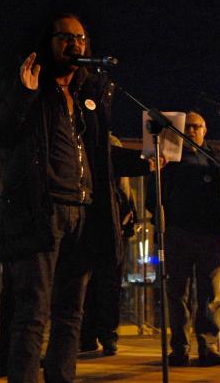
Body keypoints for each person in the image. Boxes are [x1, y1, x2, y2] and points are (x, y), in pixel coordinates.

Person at [0, 13, 152, 383]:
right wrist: (23, 94)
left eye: (80, 38)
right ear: (49, 42)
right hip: (40, 213)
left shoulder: (88, 95)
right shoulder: (27, 86)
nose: (74, 44)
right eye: (65, 37)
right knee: (33, 312)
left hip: (84, 213)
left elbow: (101, 156)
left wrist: (145, 161)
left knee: (71, 313)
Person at [145, 111, 220, 367]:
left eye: (196, 126)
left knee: (210, 295)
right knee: (177, 294)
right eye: (188, 127)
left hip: (210, 234)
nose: (192, 131)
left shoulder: (218, 157)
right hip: (177, 233)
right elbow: (152, 196)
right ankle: (180, 348)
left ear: (205, 129)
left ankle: (208, 346)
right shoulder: (169, 158)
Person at [79, 134, 138, 357]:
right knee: (107, 286)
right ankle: (106, 335)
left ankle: (90, 336)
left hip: (96, 229)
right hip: (109, 231)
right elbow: (125, 195)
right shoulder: (109, 146)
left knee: (91, 286)